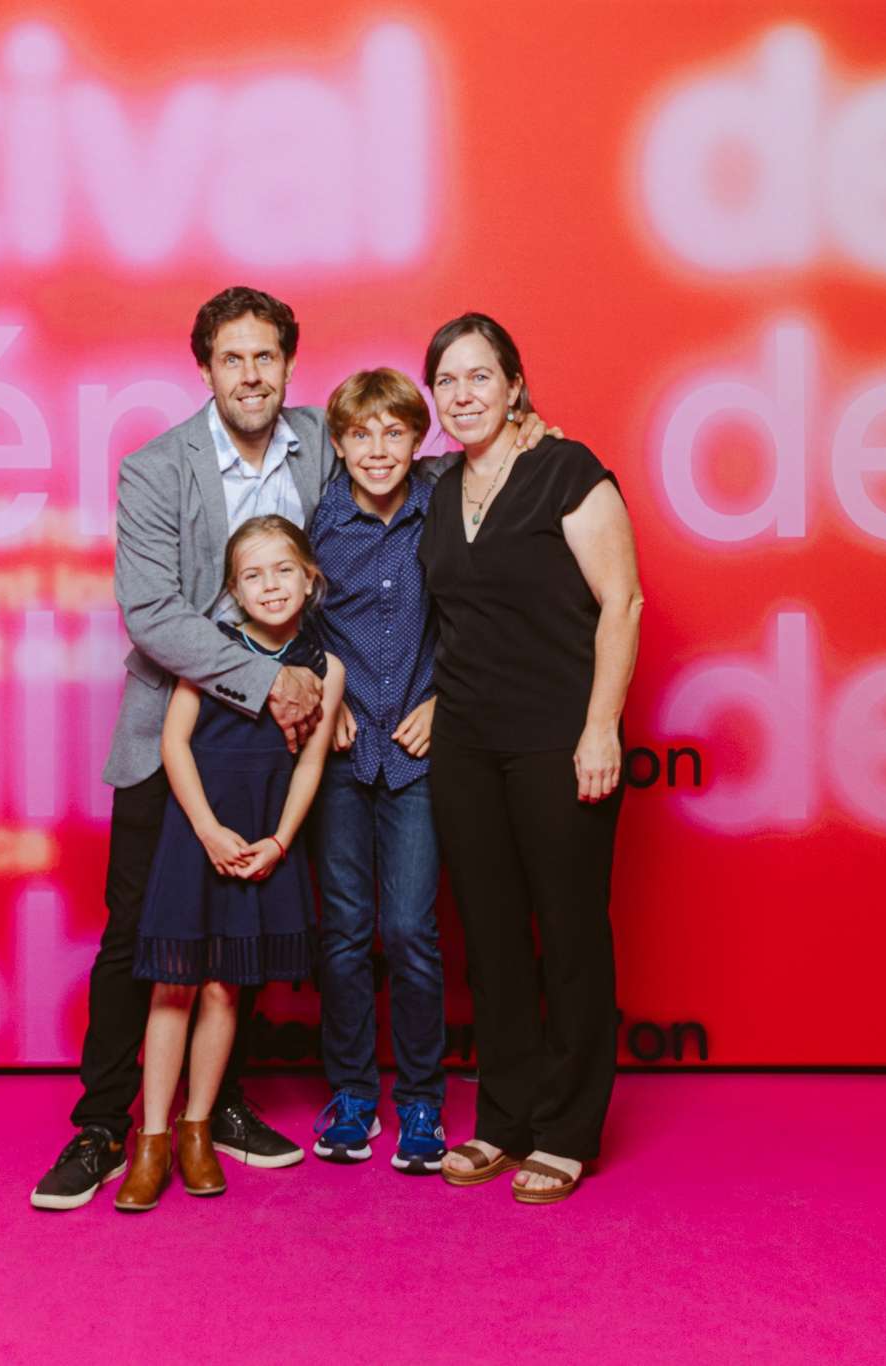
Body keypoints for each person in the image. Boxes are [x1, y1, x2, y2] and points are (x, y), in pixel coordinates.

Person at [29, 286, 555, 1212]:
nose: (250, 375)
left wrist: (517, 432)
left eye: (266, 357)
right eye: (232, 359)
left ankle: (215, 1106)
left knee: (246, 932)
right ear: (205, 369)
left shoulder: (322, 438)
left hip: (297, 737)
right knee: (139, 940)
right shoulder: (157, 469)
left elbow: (410, 464)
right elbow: (151, 615)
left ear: (288, 366)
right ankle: (106, 1124)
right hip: (183, 731)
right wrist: (267, 680)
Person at [416, 313, 643, 1205]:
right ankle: (503, 1121)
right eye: (448, 382)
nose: (463, 395)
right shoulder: (439, 490)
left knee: (572, 934)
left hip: (558, 735)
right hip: (467, 742)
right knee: (495, 940)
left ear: (515, 384)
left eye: (480, 377)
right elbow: (462, 619)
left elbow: (620, 604)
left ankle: (567, 1130)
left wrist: (601, 728)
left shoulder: (568, 470)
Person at [114, 518, 346, 1211]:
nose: (270, 586)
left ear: (310, 577)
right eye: (252, 576)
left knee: (225, 989)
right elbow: (176, 744)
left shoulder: (327, 667)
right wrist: (208, 830)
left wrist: (279, 840)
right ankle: (151, 1139)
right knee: (175, 986)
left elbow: (310, 765)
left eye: (283, 571)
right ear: (234, 593)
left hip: (261, 834)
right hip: (199, 833)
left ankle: (197, 1130)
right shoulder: (214, 649)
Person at [303, 369, 448, 1172]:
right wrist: (327, 694)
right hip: (342, 752)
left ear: (418, 439)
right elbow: (289, 614)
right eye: (362, 435)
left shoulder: (447, 506)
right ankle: (354, 1091)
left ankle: (422, 1099)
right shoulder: (317, 523)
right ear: (340, 444)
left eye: (395, 432)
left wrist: (448, 700)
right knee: (346, 934)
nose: (379, 449)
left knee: (411, 932)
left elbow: (479, 610)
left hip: (420, 753)